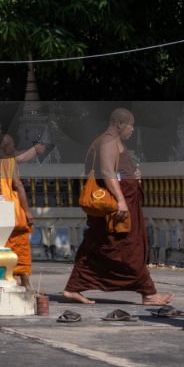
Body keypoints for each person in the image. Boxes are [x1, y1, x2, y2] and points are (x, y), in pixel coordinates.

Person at [62, 109, 174, 305]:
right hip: (116, 205)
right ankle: (148, 293)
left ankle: (73, 287)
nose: (132, 129)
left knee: (99, 246)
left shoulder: (112, 141)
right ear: (119, 124)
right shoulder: (107, 141)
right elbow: (106, 172)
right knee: (128, 248)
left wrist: (133, 174)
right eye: (131, 125)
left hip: (121, 202)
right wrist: (121, 200)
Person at [0, 118, 44, 288]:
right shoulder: (8, 162)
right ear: (7, 147)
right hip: (11, 206)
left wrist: (34, 150)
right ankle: (24, 280)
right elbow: (18, 185)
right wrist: (28, 210)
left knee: (1, 244)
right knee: (20, 243)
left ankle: (9, 276)